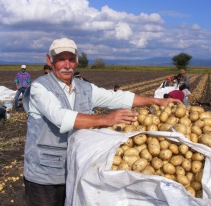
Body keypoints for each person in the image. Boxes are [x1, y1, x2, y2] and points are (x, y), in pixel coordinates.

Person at [22, 37, 181, 206]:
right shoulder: (40, 87)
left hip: (76, 170)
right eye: (61, 59)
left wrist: (157, 101)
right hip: (44, 176)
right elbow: (61, 117)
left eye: (71, 59)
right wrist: (106, 119)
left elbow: (117, 98)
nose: (67, 65)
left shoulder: (84, 87)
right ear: (50, 60)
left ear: (77, 61)